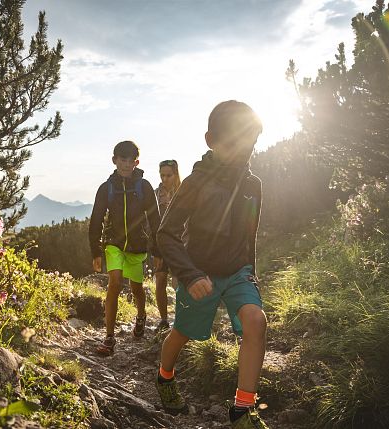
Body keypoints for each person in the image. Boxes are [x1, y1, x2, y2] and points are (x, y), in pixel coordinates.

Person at [155, 101, 269, 428]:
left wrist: (252, 274)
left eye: (250, 143)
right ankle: (165, 378)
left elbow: (251, 236)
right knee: (182, 334)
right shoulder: (195, 183)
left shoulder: (253, 185)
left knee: (255, 322)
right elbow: (166, 234)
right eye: (233, 143)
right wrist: (190, 275)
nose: (243, 151)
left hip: (238, 273)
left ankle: (242, 410)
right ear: (210, 141)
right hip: (199, 273)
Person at [89, 140, 163, 356]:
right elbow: (96, 220)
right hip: (113, 244)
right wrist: (96, 251)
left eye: (131, 160)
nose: (127, 164)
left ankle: (141, 316)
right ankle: (109, 338)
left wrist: (157, 250)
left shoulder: (144, 187)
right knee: (114, 283)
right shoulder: (106, 188)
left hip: (138, 246)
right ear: (115, 160)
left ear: (136, 162)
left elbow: (156, 219)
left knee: (137, 288)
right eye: (123, 160)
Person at [154, 159, 182, 333]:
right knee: (160, 281)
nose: (165, 179)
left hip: (181, 243)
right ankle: (163, 320)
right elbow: (150, 223)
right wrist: (154, 249)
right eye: (162, 175)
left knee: (178, 282)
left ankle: (181, 320)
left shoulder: (184, 191)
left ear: (176, 174)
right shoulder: (155, 194)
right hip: (160, 244)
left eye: (168, 175)